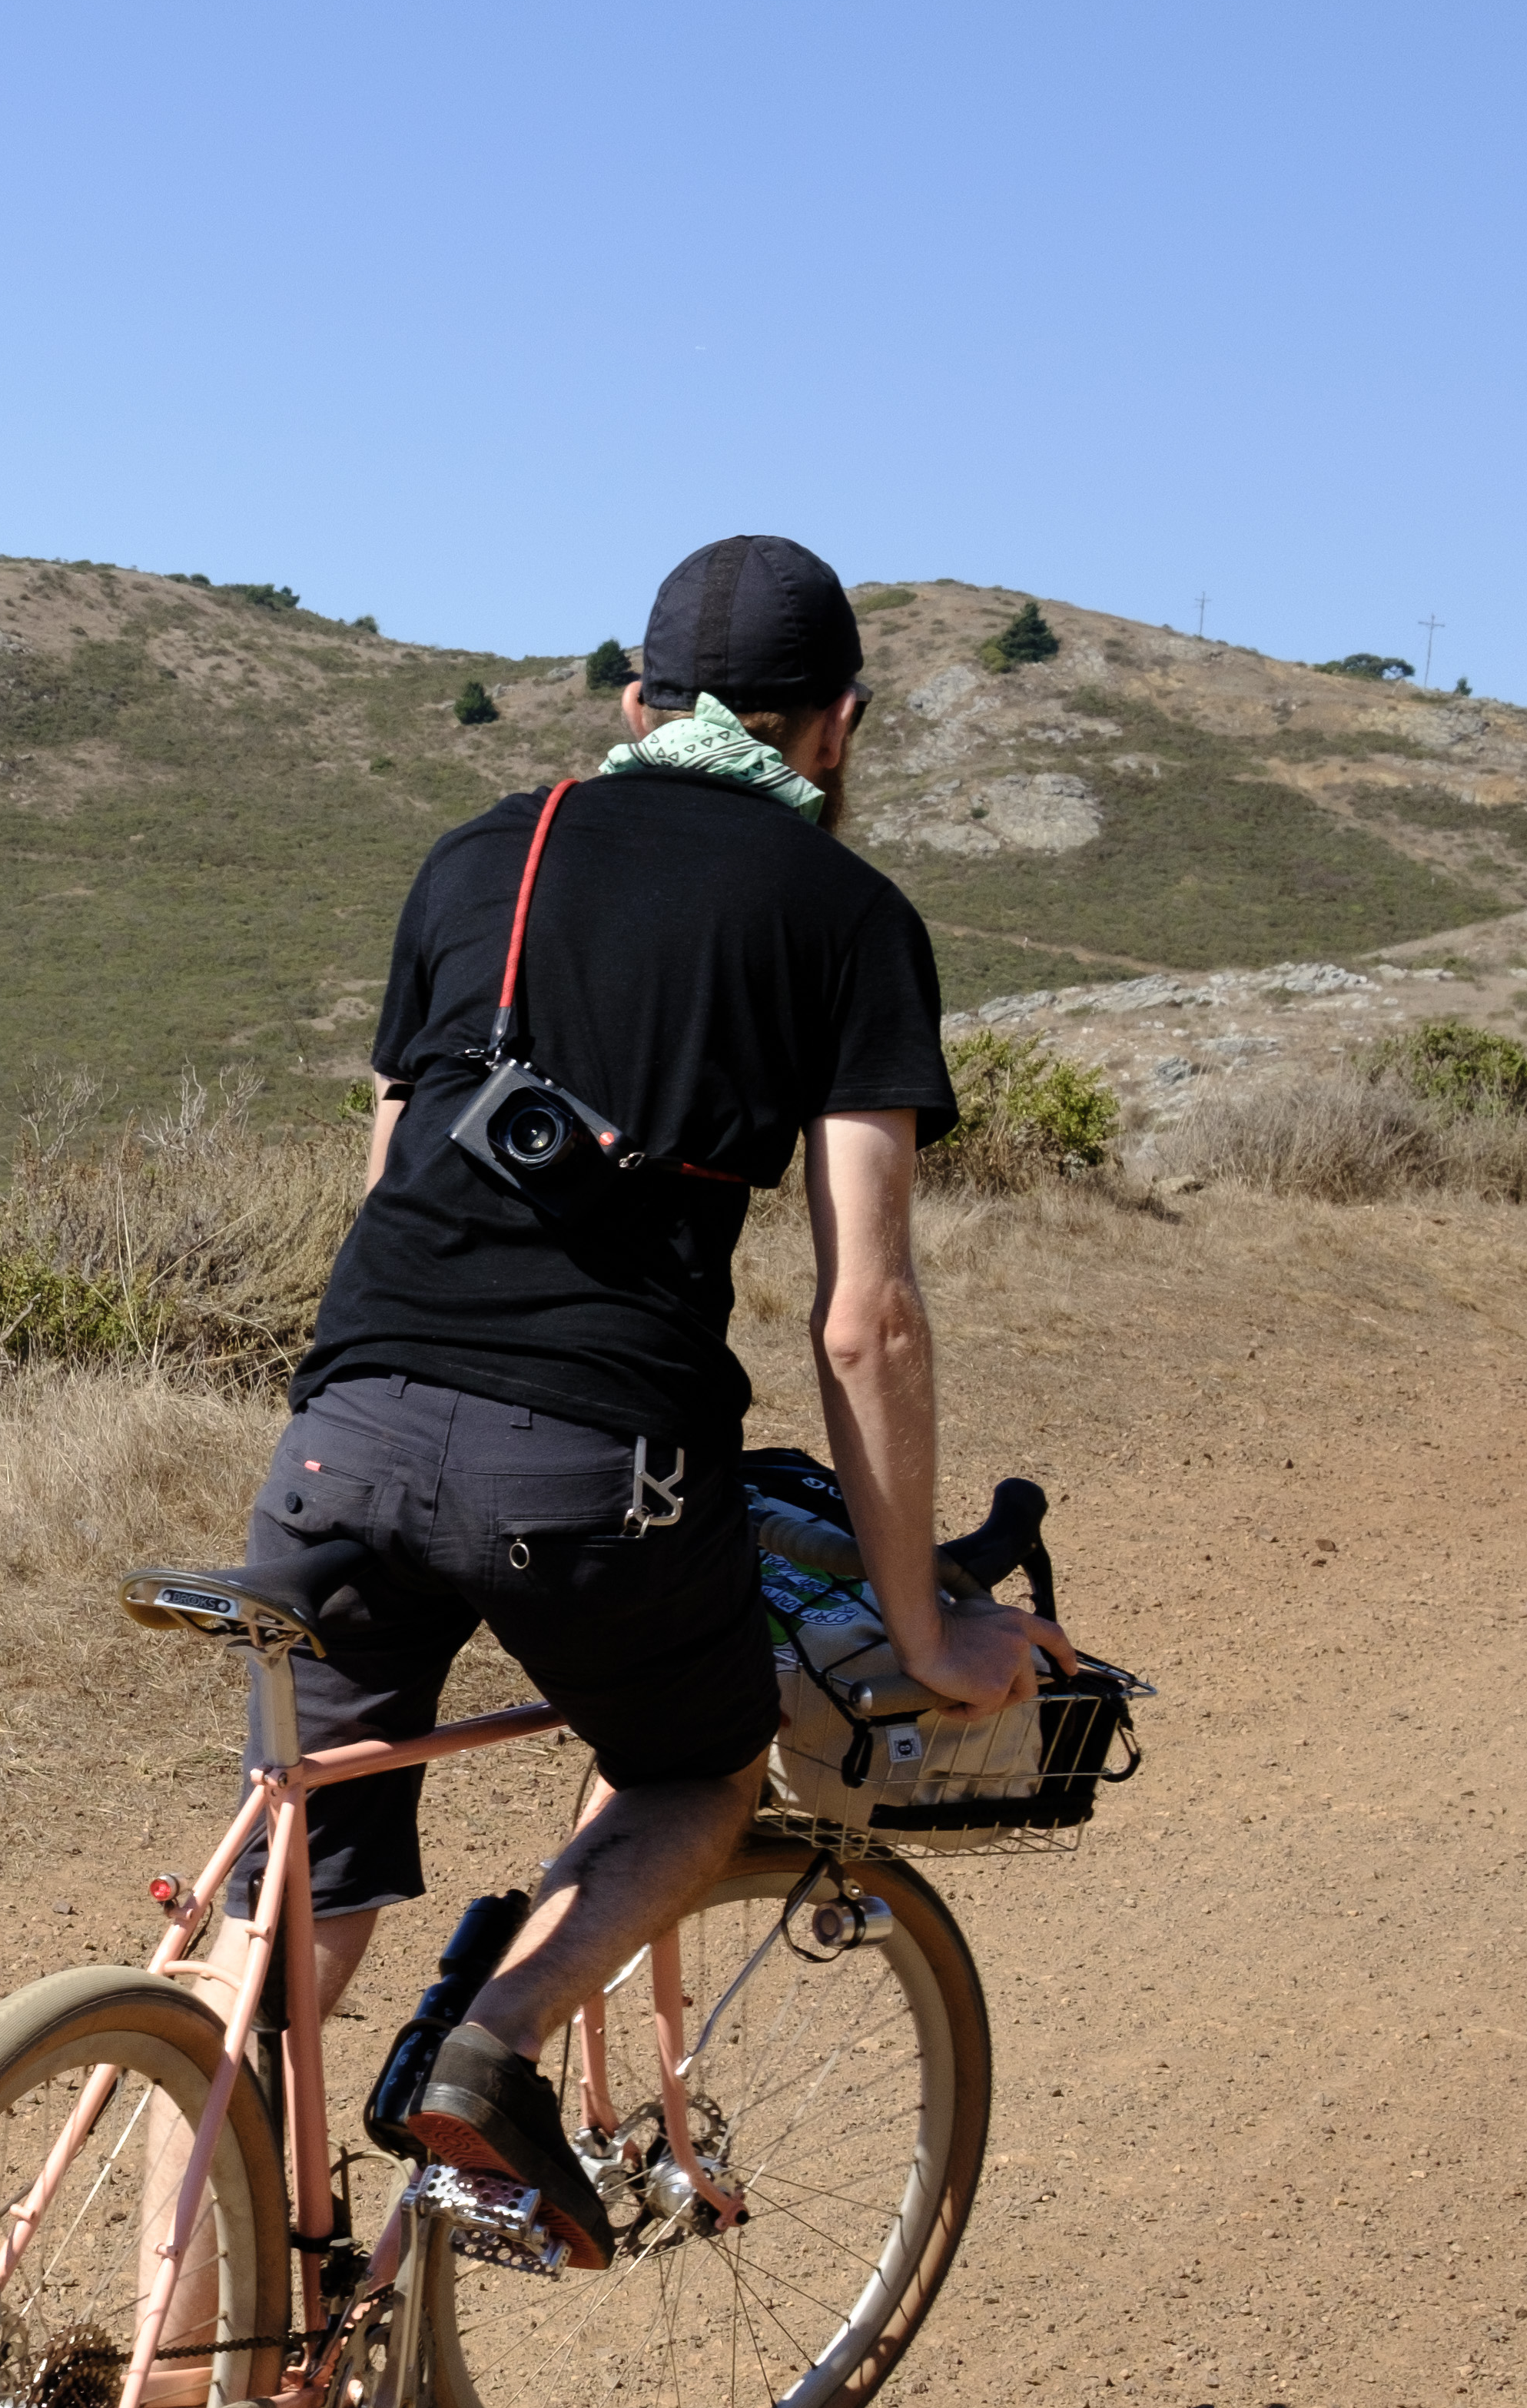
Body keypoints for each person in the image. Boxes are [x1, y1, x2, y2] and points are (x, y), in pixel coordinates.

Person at [247, 532, 1048, 2267]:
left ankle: (172, 2375)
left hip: (343, 1422)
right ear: (835, 727)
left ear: (637, 705)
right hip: (586, 1466)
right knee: (699, 1755)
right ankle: (492, 2044)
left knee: (303, 1894)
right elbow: (868, 1322)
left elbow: (390, 1167)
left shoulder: (482, 858)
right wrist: (920, 1625)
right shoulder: (845, 916)